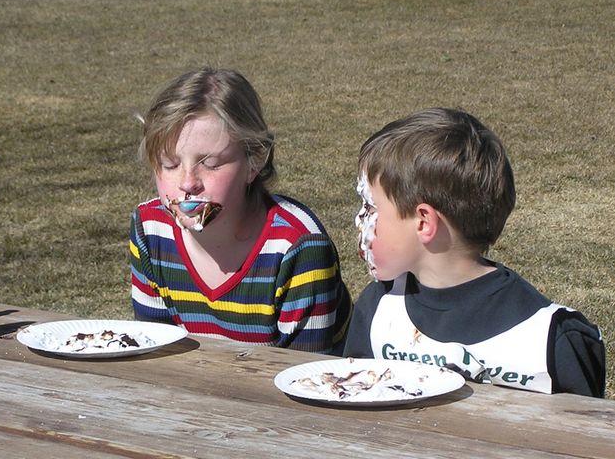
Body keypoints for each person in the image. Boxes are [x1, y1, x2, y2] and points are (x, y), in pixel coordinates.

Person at [343, 107, 605, 397]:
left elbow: (584, 437)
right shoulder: (377, 311)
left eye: (371, 207)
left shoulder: (550, 339)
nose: (360, 221)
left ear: (424, 222)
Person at [129, 67, 351, 354]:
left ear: (254, 161)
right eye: (170, 164)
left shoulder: (297, 247)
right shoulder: (150, 229)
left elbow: (303, 378)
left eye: (210, 164)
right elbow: (157, 353)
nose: (187, 183)